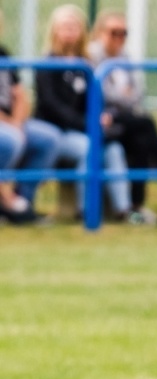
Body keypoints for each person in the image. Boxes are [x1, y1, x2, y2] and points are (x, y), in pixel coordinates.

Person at [35, 4, 131, 221]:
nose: (70, 31)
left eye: (74, 26)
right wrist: (89, 125)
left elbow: (95, 99)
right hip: (58, 131)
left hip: (85, 128)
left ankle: (124, 211)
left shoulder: (86, 64)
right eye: (65, 26)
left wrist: (101, 116)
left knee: (113, 149)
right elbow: (52, 107)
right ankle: (86, 212)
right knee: (88, 148)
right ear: (54, 30)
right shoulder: (46, 64)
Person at [90, 10, 157, 224]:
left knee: (142, 142)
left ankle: (136, 205)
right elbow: (103, 93)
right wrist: (123, 97)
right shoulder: (92, 56)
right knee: (145, 122)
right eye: (113, 32)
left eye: (123, 33)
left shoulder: (124, 57)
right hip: (104, 118)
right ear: (99, 32)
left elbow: (137, 93)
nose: (119, 38)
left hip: (125, 119)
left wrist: (124, 98)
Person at [0, 11, 61, 223]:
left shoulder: (3, 53)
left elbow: (20, 94)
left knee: (49, 137)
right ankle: (5, 202)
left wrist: (16, 122)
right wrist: (11, 126)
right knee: (9, 140)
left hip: (11, 123)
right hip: (4, 127)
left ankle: (24, 203)